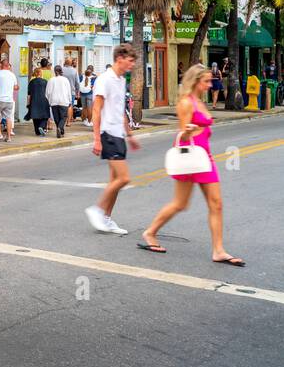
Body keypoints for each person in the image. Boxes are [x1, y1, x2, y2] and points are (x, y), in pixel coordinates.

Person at [138, 64, 244, 265]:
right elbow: (183, 133)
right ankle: (150, 232)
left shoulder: (200, 102)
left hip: (206, 158)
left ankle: (219, 250)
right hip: (190, 157)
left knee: (217, 204)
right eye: (206, 81)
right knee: (180, 204)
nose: (209, 84)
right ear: (195, 82)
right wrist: (188, 130)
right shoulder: (186, 103)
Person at [86, 45, 140, 236]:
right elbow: (96, 109)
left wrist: (130, 135)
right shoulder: (105, 80)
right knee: (124, 178)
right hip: (108, 133)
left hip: (119, 134)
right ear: (120, 58)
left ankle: (106, 218)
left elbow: (120, 110)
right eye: (130, 61)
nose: (132, 65)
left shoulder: (120, 80)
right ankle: (97, 209)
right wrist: (97, 138)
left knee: (115, 180)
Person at [0, 58, 18, 142]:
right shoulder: (12, 75)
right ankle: (9, 137)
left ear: (2, 65)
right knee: (8, 118)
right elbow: (16, 87)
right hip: (9, 100)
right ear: (8, 66)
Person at [47, 64, 72, 138]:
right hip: (64, 101)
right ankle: (60, 128)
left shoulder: (51, 80)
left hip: (54, 101)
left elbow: (47, 92)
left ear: (54, 71)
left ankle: (61, 130)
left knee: (56, 117)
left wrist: (49, 100)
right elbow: (68, 91)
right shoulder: (65, 80)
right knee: (63, 117)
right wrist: (70, 101)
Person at [27, 64, 50, 136]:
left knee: (35, 116)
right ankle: (41, 127)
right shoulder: (45, 81)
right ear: (41, 73)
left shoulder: (31, 82)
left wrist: (28, 103)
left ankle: (37, 131)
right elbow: (48, 92)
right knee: (45, 115)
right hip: (44, 100)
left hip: (34, 100)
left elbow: (29, 94)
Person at [62, 57, 80, 124]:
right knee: (70, 105)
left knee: (63, 106)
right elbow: (77, 83)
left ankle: (63, 120)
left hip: (63, 91)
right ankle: (69, 122)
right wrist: (78, 92)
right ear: (71, 63)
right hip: (71, 91)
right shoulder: (74, 71)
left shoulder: (61, 70)